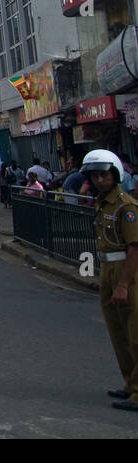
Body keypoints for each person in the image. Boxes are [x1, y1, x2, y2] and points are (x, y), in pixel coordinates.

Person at [81, 149, 138, 412]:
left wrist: (124, 284)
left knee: (134, 333)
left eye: (103, 175)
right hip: (106, 268)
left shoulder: (126, 206)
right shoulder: (103, 203)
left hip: (125, 270)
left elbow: (134, 248)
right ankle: (130, 384)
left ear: (115, 174)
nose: (99, 181)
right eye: (94, 176)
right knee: (117, 333)